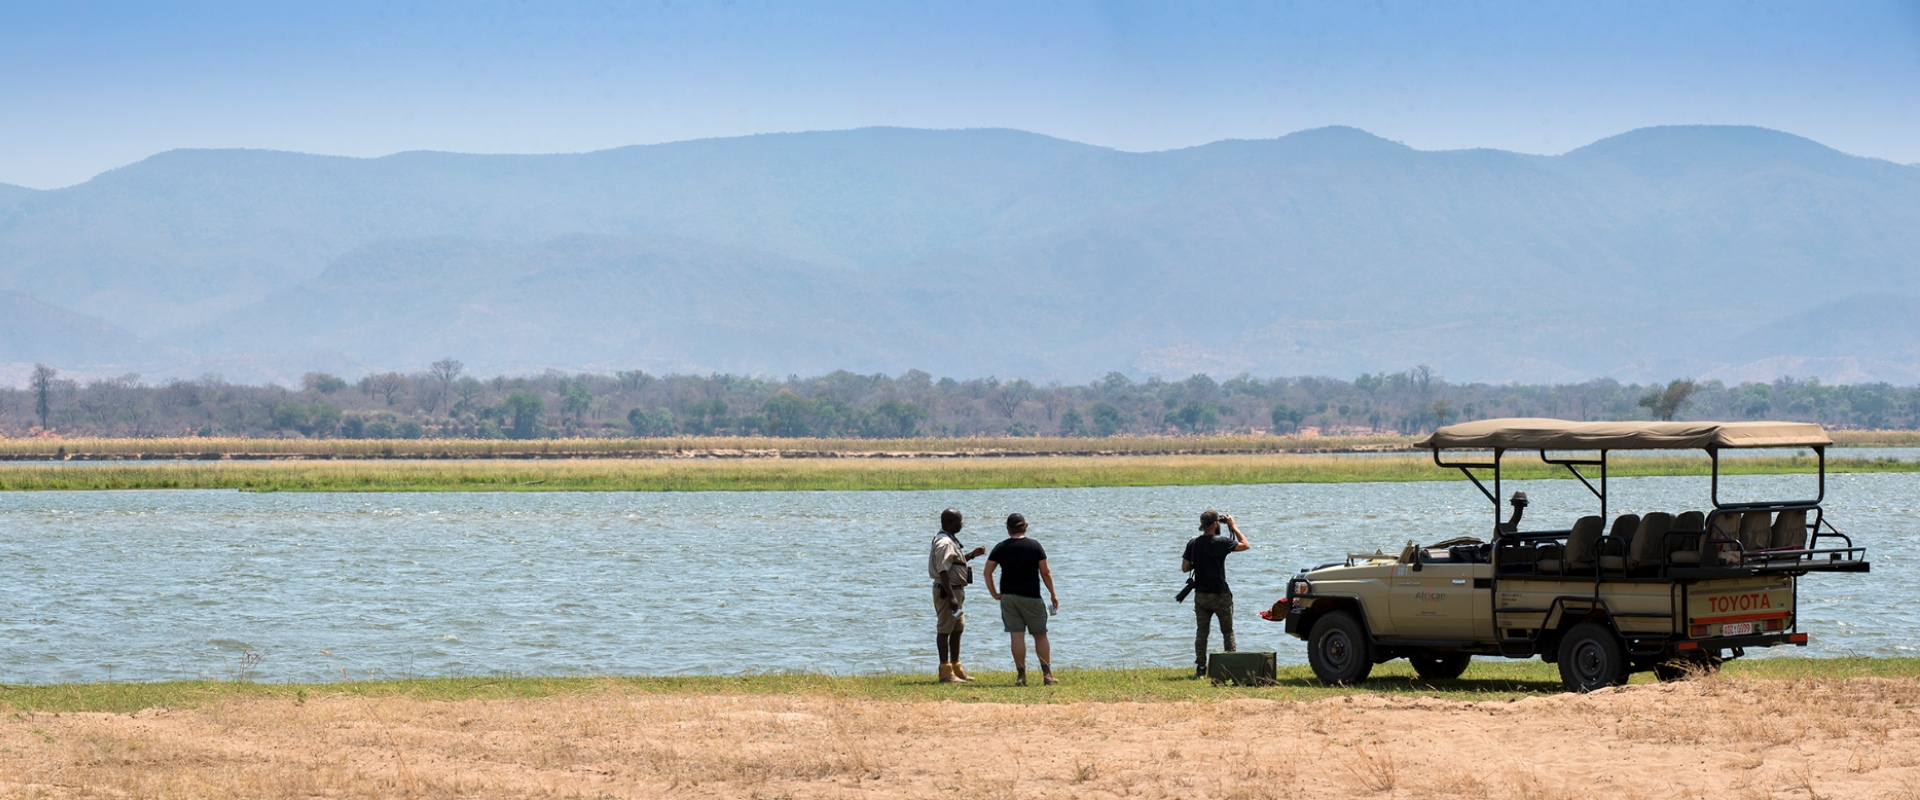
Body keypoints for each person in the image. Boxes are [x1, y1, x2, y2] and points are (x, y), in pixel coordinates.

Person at [984, 513, 1058, 686]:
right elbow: (1045, 572)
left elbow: (987, 572)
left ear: (1008, 528)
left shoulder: (1000, 548)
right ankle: (1047, 675)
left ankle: (1021, 676)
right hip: (1032, 596)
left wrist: (995, 593)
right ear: (1025, 526)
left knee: (1016, 636)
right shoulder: (1035, 546)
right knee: (1040, 635)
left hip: (1009, 598)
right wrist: (1053, 594)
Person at [1182, 509, 1249, 677]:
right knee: (1227, 632)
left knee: (1202, 632)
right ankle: (1230, 666)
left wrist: (1198, 563)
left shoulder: (1194, 543)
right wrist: (1233, 526)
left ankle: (1201, 668)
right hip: (1220, 594)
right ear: (1216, 524)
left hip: (1202, 595)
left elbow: (1185, 568)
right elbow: (1245, 545)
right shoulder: (1222, 542)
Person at [928, 507, 986, 683]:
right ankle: (945, 672)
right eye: (959, 521)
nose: (962, 524)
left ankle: (956, 668)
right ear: (950, 523)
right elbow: (943, 571)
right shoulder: (944, 542)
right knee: (944, 629)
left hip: (955, 590)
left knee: (957, 628)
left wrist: (971, 556)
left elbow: (954, 563)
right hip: (948, 591)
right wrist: (952, 597)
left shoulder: (949, 540)